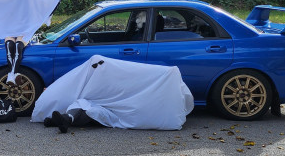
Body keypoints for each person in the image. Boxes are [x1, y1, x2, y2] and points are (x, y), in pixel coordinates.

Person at [31, 56, 195, 132]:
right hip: (107, 106)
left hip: (117, 111)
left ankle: (64, 119)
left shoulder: (168, 83)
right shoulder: (170, 81)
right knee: (84, 104)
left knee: (88, 108)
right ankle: (62, 119)